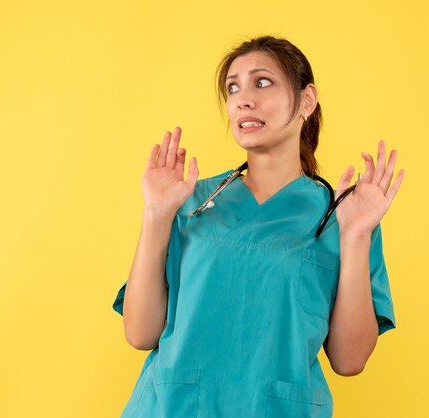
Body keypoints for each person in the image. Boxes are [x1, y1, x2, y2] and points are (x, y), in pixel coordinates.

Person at [112, 35, 404, 418]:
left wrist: (356, 235)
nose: (242, 98)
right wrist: (155, 213)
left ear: (306, 101)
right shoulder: (189, 201)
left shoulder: (345, 215)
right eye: (233, 87)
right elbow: (139, 334)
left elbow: (349, 360)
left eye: (262, 82)